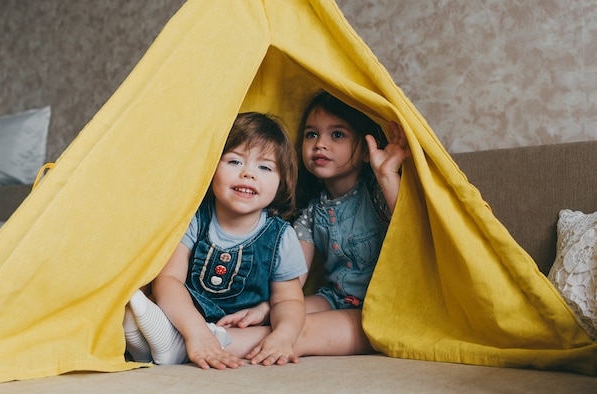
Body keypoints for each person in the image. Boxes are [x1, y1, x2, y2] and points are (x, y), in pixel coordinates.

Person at [218, 91, 411, 358]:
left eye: (337, 135)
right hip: (334, 299)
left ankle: (205, 343)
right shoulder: (311, 211)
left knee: (300, 330)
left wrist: (388, 175)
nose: (320, 144)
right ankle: (199, 333)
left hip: (382, 310)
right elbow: (293, 281)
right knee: (284, 314)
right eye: (312, 134)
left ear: (366, 151)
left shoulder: (376, 193)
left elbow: (412, 232)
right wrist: (265, 308)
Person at [123, 112, 307, 370]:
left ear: (281, 182)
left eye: (264, 167)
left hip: (238, 325)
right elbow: (169, 279)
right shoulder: (194, 219)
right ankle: (145, 344)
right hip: (187, 316)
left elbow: (288, 301)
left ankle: (161, 341)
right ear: (211, 167)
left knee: (278, 317)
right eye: (234, 161)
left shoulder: (281, 236)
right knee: (153, 294)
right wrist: (195, 331)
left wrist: (283, 336)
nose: (248, 174)